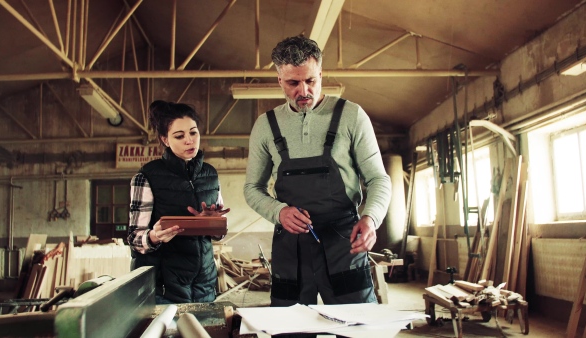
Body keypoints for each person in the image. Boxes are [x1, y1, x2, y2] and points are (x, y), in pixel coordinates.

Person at [243, 35, 392, 308]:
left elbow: (378, 178)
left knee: (356, 326)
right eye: (293, 83)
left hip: (344, 242)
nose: (304, 91)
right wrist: (278, 212)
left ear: (321, 74)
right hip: (291, 247)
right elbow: (252, 188)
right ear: (279, 81)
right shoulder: (265, 126)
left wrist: (371, 218)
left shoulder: (352, 116)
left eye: (311, 80)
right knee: (291, 330)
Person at [128, 100, 230, 304]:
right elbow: (134, 238)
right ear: (165, 140)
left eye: (193, 133)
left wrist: (214, 224)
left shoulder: (210, 175)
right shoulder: (147, 176)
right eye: (179, 136)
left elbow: (218, 235)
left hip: (204, 284)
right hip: (164, 287)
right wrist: (155, 236)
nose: (189, 141)